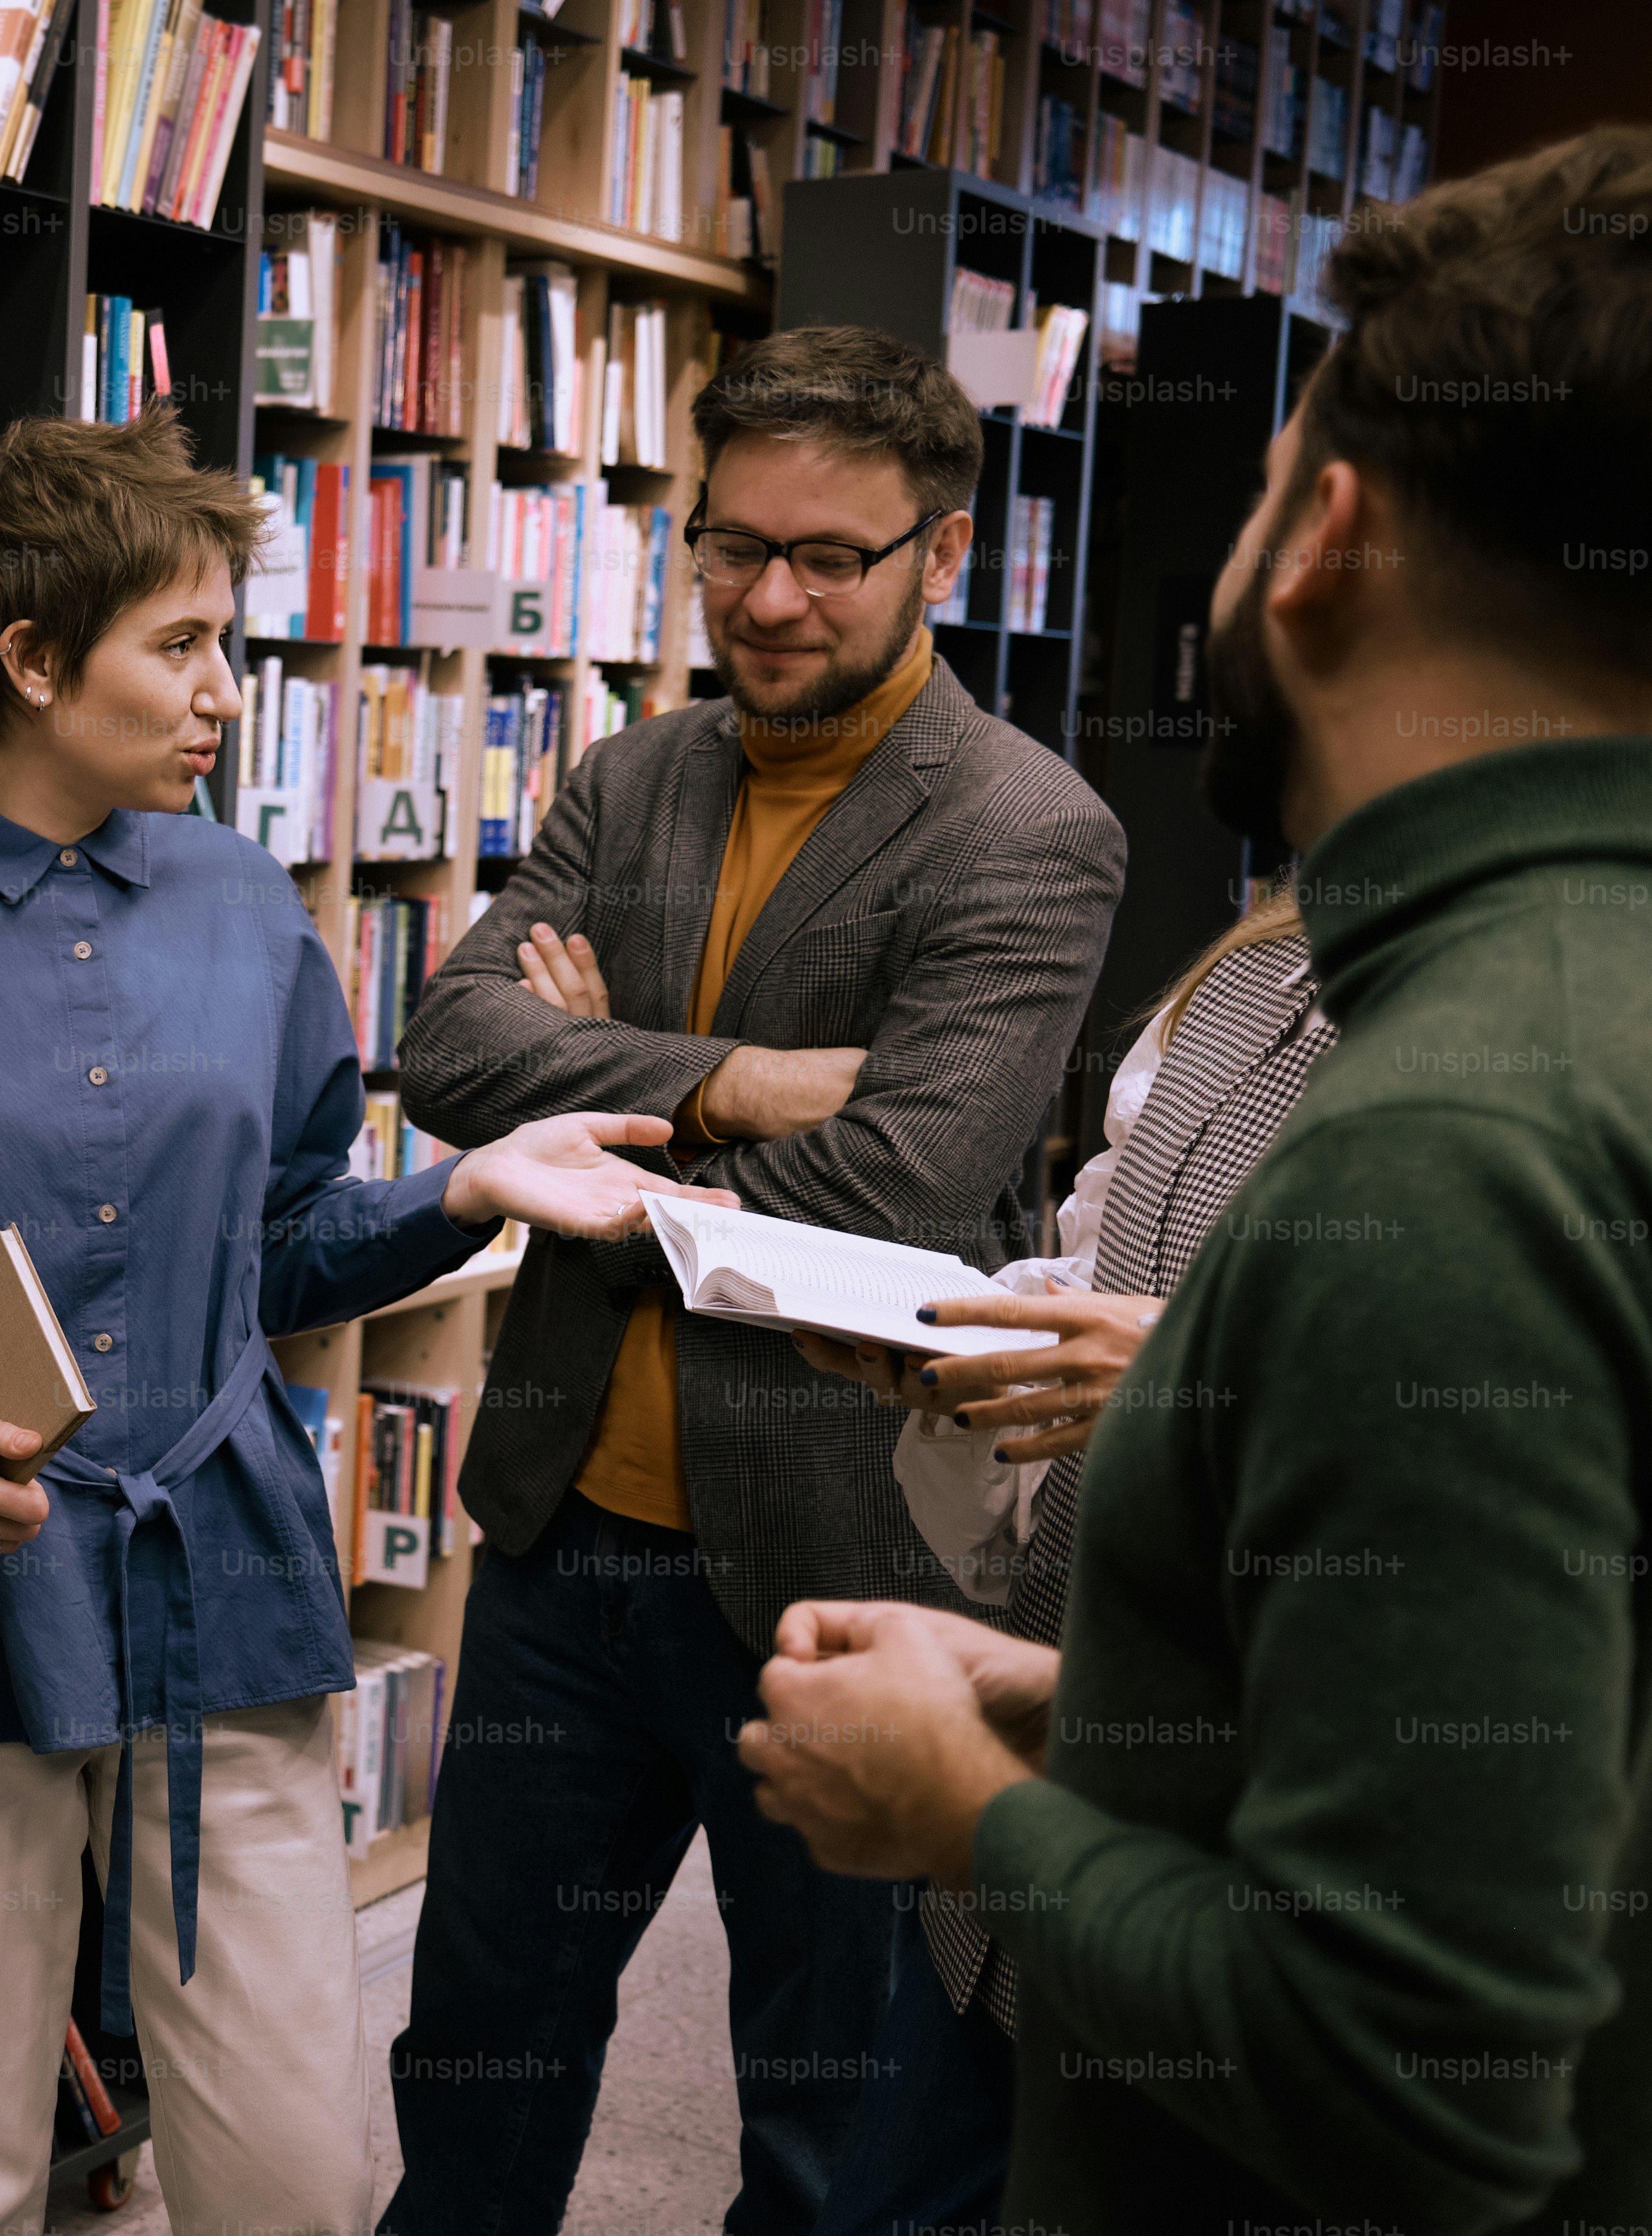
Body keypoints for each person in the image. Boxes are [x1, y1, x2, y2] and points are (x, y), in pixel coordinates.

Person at [0, 405, 734, 2236]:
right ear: (33, 662)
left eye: (229, 639)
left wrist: (464, 1187)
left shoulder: (246, 903)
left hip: (222, 1585)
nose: (230, 685)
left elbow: (285, 1244)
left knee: (289, 2171)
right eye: (186, 643)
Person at [736, 127, 1652, 2233]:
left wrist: (965, 1805)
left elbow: (1412, 2080)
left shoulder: (1450, 1142)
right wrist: (1108, 1700)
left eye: (1250, 497)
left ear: (1322, 536)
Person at [381, 325, 1127, 2232]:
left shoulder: (1029, 830)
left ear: (942, 558)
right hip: (558, 1541)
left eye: (832, 557)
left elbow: (899, 1186)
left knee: (822, 2123)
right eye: (732, 547)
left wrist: (609, 1096)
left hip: (837, 1551)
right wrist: (737, 1077)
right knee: (475, 2056)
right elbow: (448, 1049)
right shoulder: (631, 779)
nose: (771, 598)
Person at [783, 888, 1332, 2235]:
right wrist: (969, 1360)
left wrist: (1194, 1374)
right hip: (1037, 1781)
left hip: (1249, 1871)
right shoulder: (1243, 983)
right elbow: (1095, 1273)